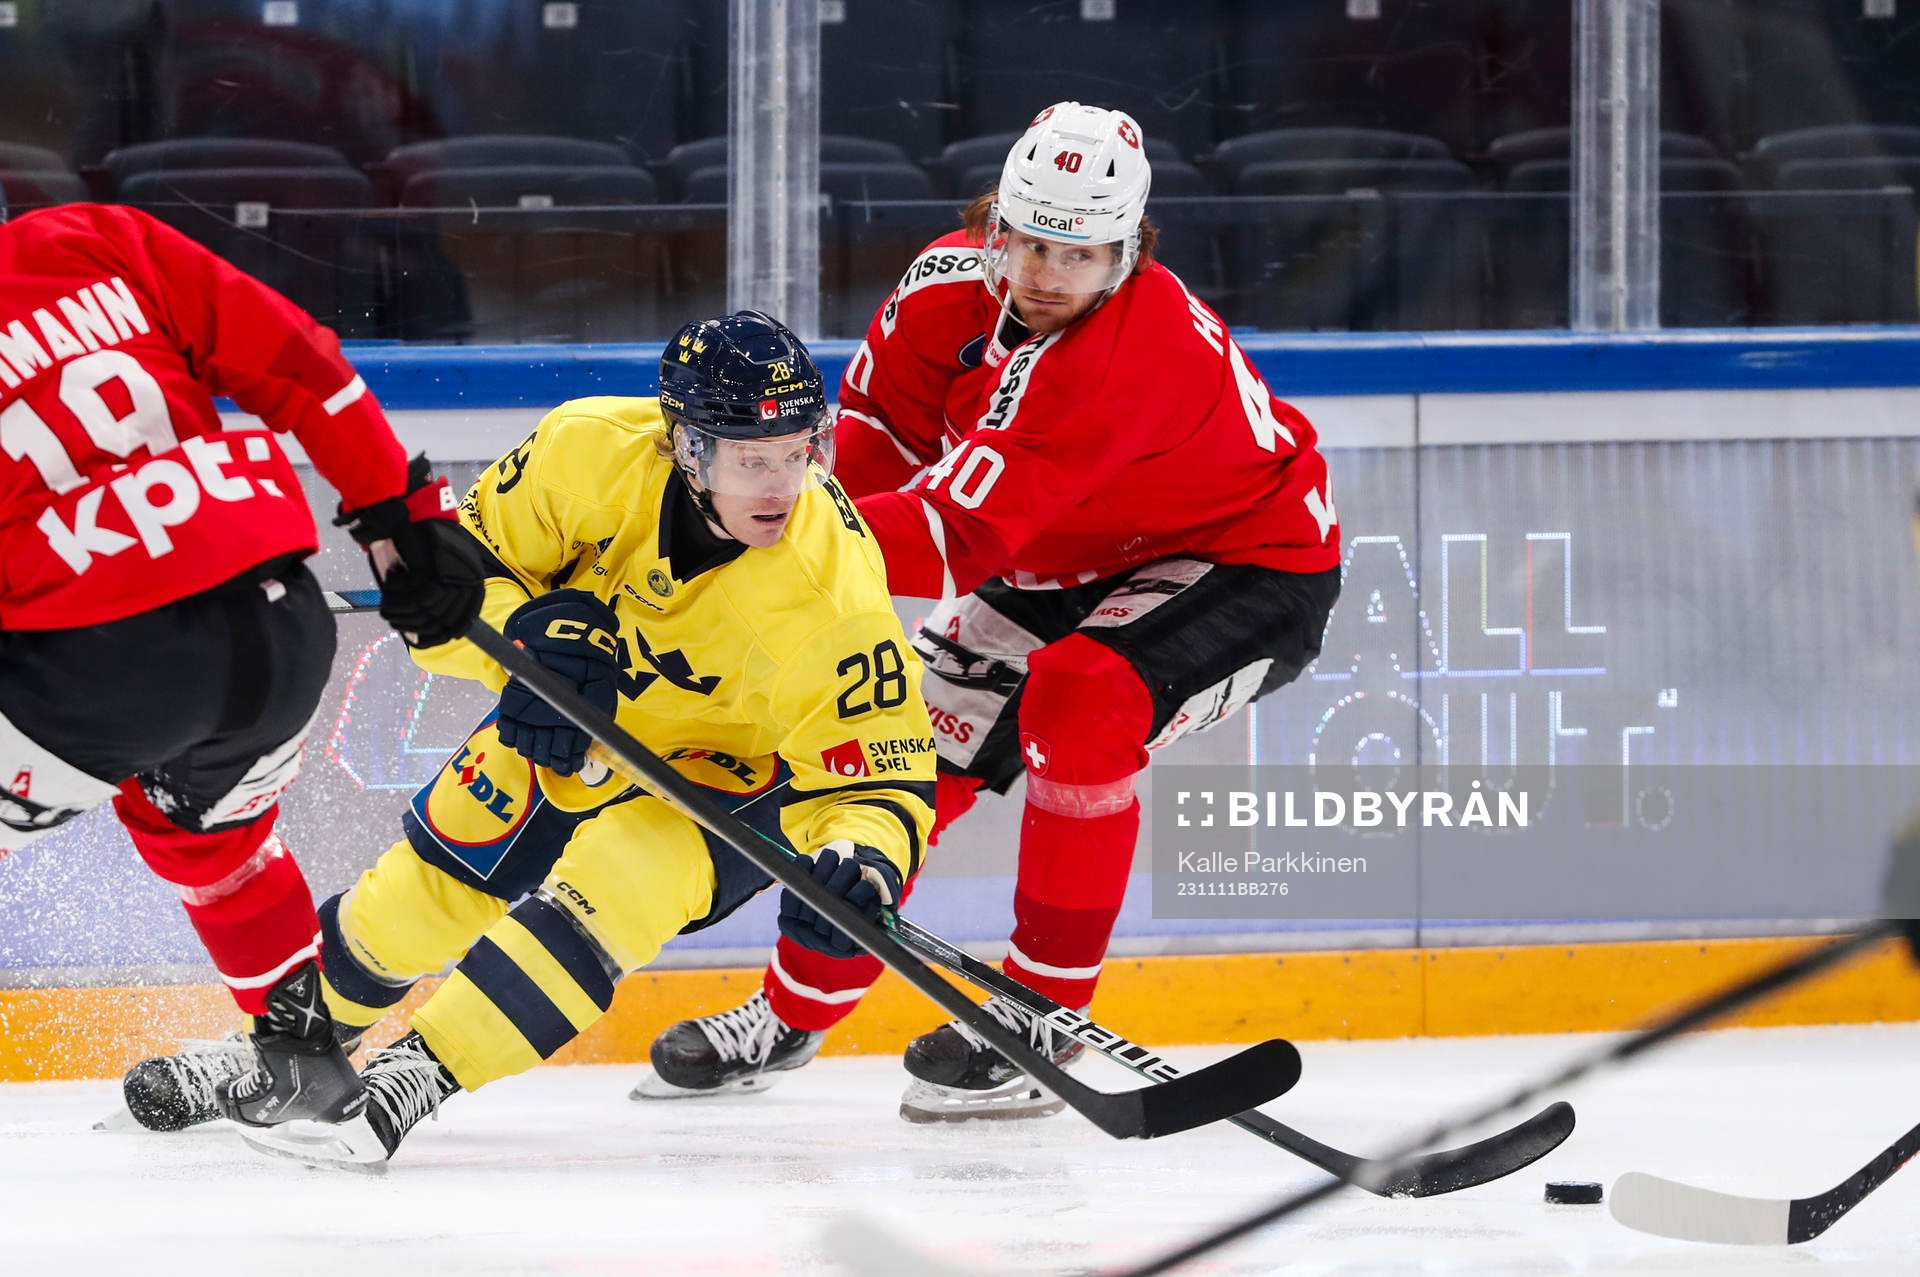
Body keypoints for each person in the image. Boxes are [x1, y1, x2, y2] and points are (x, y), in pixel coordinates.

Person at [635, 103, 1343, 1122]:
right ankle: (792, 1010)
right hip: (1057, 557)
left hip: (1246, 559)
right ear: (995, 227)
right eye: (1032, 243)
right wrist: (760, 535)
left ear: (1129, 251)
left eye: (1083, 254)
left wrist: (748, 538)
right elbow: (874, 440)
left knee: (1083, 697)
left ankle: (1043, 1009)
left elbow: (951, 536)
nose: (1049, 275)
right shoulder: (939, 288)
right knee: (889, 753)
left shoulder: (1132, 350)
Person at [123, 311, 938, 1164]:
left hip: (730, 773)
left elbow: (881, 777)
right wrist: (524, 642)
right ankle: (284, 1056)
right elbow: (450, 584)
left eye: (798, 452)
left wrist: (864, 859)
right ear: (688, 448)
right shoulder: (585, 450)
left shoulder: (833, 590)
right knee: (423, 893)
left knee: (615, 888)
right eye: (752, 459)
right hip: (580, 719)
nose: (781, 487)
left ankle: (415, 1074)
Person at [0, 202, 484, 1131]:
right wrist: (401, 515)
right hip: (273, 624)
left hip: (99, 651)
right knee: (209, 833)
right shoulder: (93, 237)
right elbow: (297, 360)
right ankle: (300, 1051)